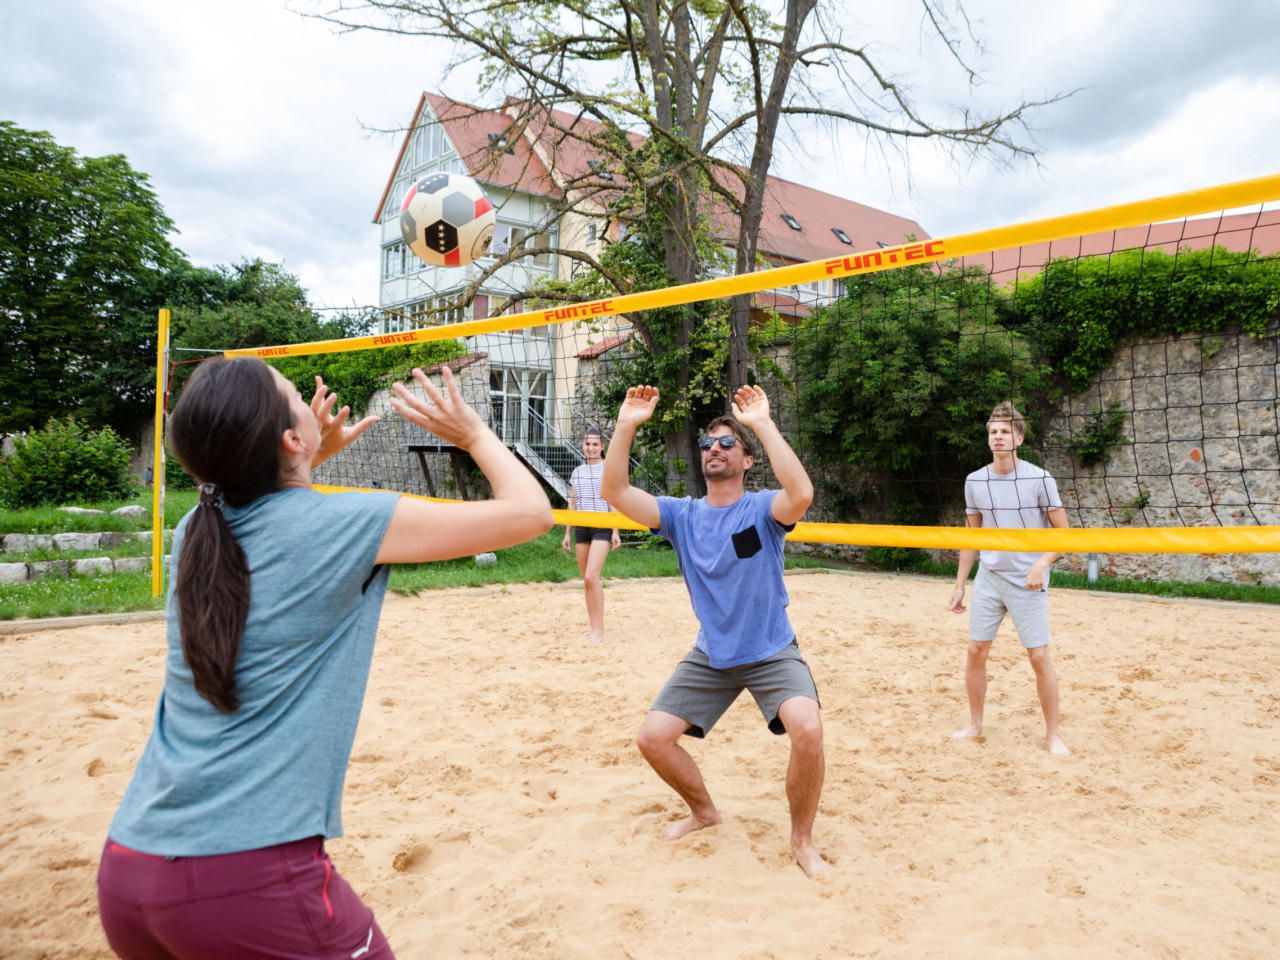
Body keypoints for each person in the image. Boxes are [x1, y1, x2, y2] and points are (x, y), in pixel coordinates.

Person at [96, 357, 552, 959]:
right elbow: (531, 513)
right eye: (296, 397)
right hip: (242, 877)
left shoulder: (194, 531)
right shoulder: (351, 522)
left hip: (130, 867)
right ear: (290, 437)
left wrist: (304, 459)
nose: (314, 405)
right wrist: (473, 434)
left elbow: (267, 504)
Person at [600, 383, 830, 879]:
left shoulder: (764, 509)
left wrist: (762, 424)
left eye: (728, 443)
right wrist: (626, 424)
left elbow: (803, 494)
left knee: (807, 730)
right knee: (652, 739)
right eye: (708, 444)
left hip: (770, 649)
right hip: (712, 653)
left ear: (747, 460)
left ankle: (802, 840)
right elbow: (614, 492)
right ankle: (704, 812)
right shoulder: (682, 516)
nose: (716, 449)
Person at [947, 400, 1071, 757]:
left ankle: (1053, 735)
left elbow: (1064, 533)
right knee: (975, 651)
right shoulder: (976, 481)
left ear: (1018, 438)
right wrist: (959, 584)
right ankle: (975, 725)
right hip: (990, 576)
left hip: (1027, 579)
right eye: (993, 432)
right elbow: (971, 537)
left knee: (1038, 657)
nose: (998, 437)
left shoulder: (1039, 478)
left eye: (1005, 432)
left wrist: (1041, 564)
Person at [561, 427, 621, 643]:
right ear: (582, 446)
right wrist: (567, 533)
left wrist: (616, 530)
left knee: (591, 576)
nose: (591, 448)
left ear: (602, 447)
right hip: (581, 527)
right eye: (588, 444)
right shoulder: (577, 472)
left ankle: (599, 629)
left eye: (595, 444)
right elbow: (572, 504)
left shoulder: (608, 470)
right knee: (586, 581)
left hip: (602, 525)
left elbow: (613, 500)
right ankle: (592, 625)